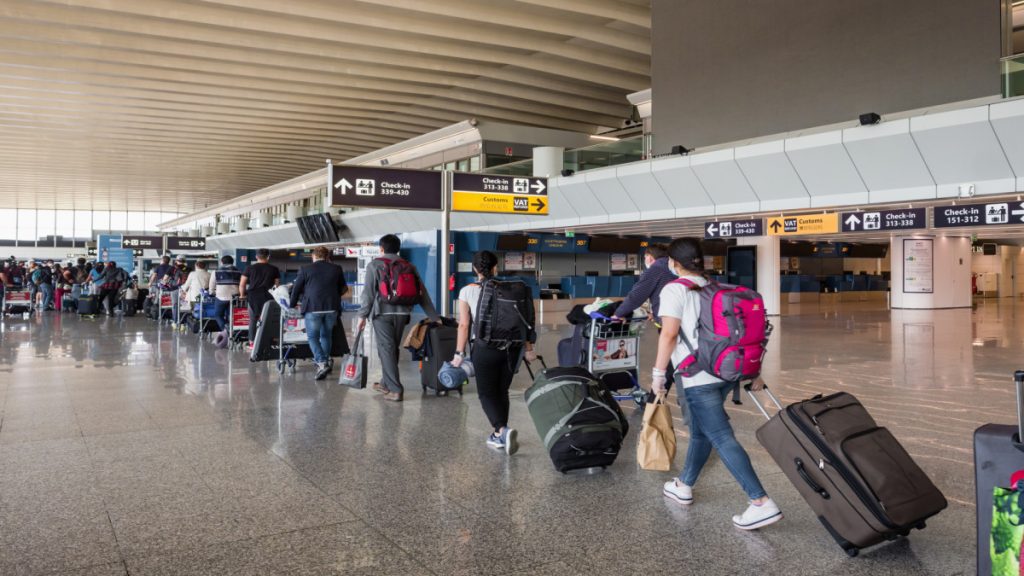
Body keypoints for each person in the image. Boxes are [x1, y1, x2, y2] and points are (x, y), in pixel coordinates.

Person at [654, 237, 782, 531]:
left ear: (673, 262)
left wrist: (658, 375)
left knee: (721, 437)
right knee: (702, 432)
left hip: (697, 377)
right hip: (724, 373)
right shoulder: (713, 287)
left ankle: (760, 502)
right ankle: (684, 485)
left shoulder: (674, 289)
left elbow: (669, 335)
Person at [451, 250, 537, 454]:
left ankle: (501, 430)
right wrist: (528, 348)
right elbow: (525, 320)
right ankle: (500, 436)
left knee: (486, 393)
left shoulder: (467, 291)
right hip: (512, 348)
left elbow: (464, 325)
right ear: (495, 267)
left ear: (474, 269)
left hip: (485, 348)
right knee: (502, 391)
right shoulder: (512, 289)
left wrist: (458, 353)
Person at [357, 234, 439, 402]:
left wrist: (362, 316)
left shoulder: (375, 265)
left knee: (386, 349)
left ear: (381, 248)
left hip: (382, 314)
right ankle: (385, 383)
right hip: (403, 314)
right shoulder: (409, 265)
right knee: (390, 349)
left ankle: (395, 389)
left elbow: (368, 294)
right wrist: (434, 316)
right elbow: (422, 293)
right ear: (398, 248)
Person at [288, 246, 348, 381]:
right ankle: (324, 362)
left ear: (313, 256)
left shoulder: (305, 269)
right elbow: (343, 288)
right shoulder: (336, 268)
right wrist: (333, 295)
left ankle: (321, 362)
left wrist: (291, 306)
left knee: (313, 337)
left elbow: (296, 290)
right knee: (326, 335)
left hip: (312, 308)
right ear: (327, 257)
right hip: (332, 308)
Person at [239, 248, 281, 344]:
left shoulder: (249, 268)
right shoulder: (274, 269)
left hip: (253, 296)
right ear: (268, 257)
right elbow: (277, 285)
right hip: (269, 296)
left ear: (256, 257)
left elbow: (242, 284)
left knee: (253, 319)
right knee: (269, 318)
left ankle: (252, 342)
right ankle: (272, 340)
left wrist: (242, 295)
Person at [208, 255, 241, 331]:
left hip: (221, 297)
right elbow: (242, 284)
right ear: (233, 262)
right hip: (235, 296)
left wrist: (211, 292)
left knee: (218, 315)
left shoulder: (216, 271)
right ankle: (232, 330)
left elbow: (212, 284)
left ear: (222, 262)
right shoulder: (239, 271)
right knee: (231, 315)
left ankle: (225, 329)